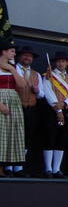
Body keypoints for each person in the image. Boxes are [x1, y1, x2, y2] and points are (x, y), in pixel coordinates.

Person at [41, 51, 68, 178]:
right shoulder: (49, 75)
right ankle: (48, 169)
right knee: (50, 138)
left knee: (62, 139)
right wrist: (58, 110)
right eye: (59, 61)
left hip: (65, 109)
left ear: (67, 63)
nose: (61, 63)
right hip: (51, 111)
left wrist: (65, 103)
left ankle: (56, 169)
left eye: (64, 61)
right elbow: (48, 93)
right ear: (55, 62)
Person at [0, 38, 28, 176]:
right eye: (11, 51)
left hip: (13, 100)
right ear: (3, 51)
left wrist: (11, 68)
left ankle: (5, 167)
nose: (14, 54)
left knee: (9, 133)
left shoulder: (14, 67)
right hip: (1, 100)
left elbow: (22, 85)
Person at [13, 46, 42, 177]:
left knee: (26, 138)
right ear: (19, 56)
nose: (27, 58)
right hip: (15, 106)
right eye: (25, 55)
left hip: (30, 109)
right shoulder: (13, 70)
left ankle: (19, 168)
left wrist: (37, 91)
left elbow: (41, 95)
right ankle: (8, 167)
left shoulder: (36, 74)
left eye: (30, 56)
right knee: (12, 136)